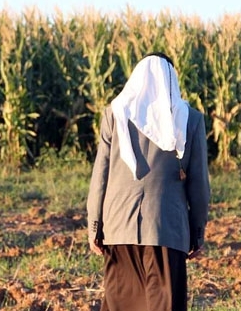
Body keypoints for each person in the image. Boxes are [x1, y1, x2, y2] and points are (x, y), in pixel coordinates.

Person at [86, 52, 210, 311]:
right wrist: (197, 233)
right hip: (167, 231)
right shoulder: (190, 120)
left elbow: (101, 176)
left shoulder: (114, 114)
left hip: (118, 228)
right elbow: (198, 185)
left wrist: (94, 226)